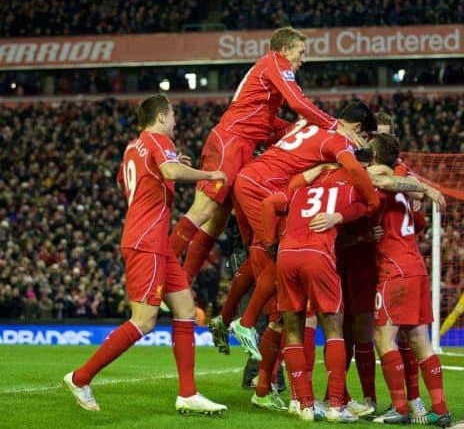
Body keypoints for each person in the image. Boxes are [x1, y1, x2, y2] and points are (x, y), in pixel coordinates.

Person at [64, 94, 227, 414]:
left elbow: (136, 177)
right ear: (162, 116)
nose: (176, 121)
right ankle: (81, 378)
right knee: (144, 320)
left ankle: (188, 393)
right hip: (146, 241)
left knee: (184, 308)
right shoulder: (157, 139)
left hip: (155, 243)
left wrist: (174, 165)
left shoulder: (133, 146)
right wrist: (208, 175)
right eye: (174, 115)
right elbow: (169, 172)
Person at [169, 26, 340, 284]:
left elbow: (265, 120)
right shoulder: (275, 62)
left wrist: (298, 127)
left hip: (240, 143)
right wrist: (334, 125)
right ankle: (164, 271)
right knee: (202, 211)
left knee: (215, 224)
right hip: (231, 142)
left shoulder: (267, 70)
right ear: (284, 50)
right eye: (301, 52)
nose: (303, 59)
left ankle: (183, 280)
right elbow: (298, 103)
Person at [224, 100, 380, 360]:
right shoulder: (337, 140)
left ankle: (235, 326)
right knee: (281, 255)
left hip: (251, 177)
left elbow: (277, 138)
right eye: (363, 137)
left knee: (264, 256)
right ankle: (247, 323)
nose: (360, 144)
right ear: (357, 127)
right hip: (264, 187)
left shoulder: (309, 124)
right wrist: (372, 202)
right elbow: (353, 168)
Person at [261, 166, 370, 422]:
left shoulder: (298, 184)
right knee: (333, 330)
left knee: (294, 329)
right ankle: (335, 406)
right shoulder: (347, 183)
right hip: (317, 254)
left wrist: (271, 246)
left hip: (286, 255)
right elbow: (367, 206)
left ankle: (304, 405)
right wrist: (339, 217)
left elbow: (270, 203)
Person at [366, 133, 451, 427]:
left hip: (394, 269)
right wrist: (425, 188)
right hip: (415, 267)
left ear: (374, 157)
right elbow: (409, 188)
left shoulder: (381, 175)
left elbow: (382, 180)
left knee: (382, 337)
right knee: (419, 340)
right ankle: (440, 409)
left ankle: (400, 406)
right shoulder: (407, 177)